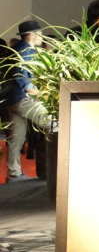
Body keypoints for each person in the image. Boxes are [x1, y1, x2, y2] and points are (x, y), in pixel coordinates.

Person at [1, 21, 54, 182]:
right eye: (40, 33)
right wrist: (37, 92)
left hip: (12, 99)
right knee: (53, 124)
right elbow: (22, 76)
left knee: (16, 138)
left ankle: (14, 172)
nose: (42, 37)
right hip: (24, 98)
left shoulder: (18, 48)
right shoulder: (26, 51)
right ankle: (54, 167)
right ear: (31, 34)